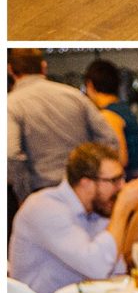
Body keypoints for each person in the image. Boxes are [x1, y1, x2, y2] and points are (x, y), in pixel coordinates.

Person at [9, 140, 138, 293]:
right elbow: (98, 267)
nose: (122, 187)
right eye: (114, 180)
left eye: (122, 178)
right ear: (86, 183)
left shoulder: (98, 210)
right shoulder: (45, 208)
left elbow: (116, 272)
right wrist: (122, 210)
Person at [8, 50, 119, 205]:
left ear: (10, 69)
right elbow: (110, 139)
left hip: (43, 192)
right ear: (44, 67)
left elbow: (11, 155)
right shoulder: (74, 95)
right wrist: (98, 179)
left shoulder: (11, 104)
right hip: (83, 187)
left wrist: (24, 194)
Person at [82, 57, 138, 178]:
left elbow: (121, 159)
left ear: (90, 85)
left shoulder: (109, 115)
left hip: (130, 180)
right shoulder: (123, 109)